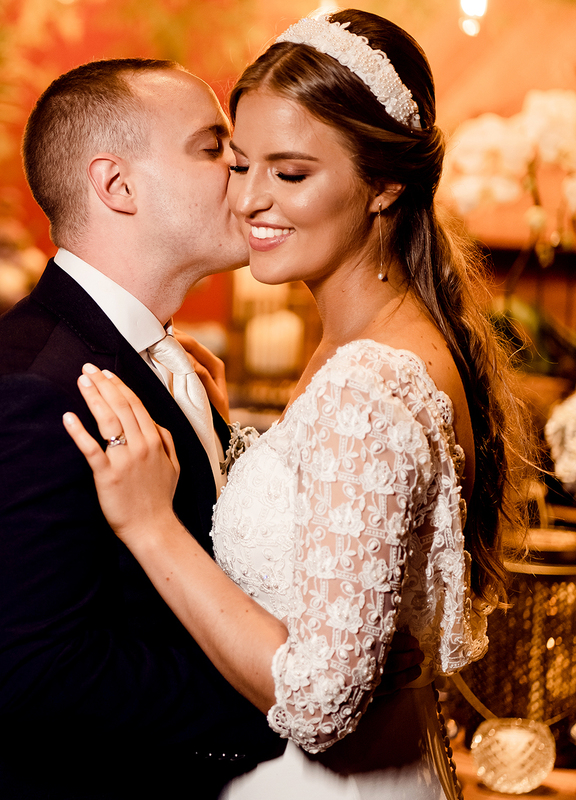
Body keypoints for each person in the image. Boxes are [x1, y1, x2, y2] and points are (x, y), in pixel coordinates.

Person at [63, 9, 531, 799]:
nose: (250, 200)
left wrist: (150, 527)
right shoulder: (371, 343)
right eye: (241, 164)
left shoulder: (370, 385)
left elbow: (319, 704)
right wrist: (242, 444)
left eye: (290, 174)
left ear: (384, 185)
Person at [0, 59, 287, 798]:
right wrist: (280, 702)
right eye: (213, 147)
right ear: (117, 185)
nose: (242, 169)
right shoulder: (31, 391)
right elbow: (35, 675)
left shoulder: (155, 359)